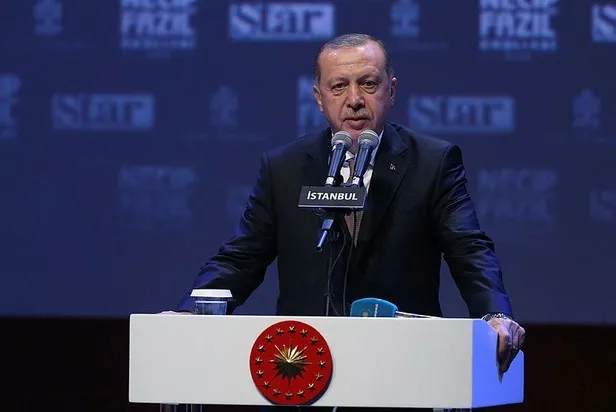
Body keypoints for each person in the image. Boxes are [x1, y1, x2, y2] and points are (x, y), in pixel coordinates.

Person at [171, 33, 525, 405]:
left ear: (391, 90)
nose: (354, 99)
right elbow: (241, 257)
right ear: (318, 97)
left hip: (401, 371)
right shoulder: (285, 168)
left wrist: (494, 313)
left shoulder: (432, 162)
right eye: (338, 86)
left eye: (368, 84)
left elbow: (469, 249)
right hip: (301, 372)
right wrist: (191, 310)